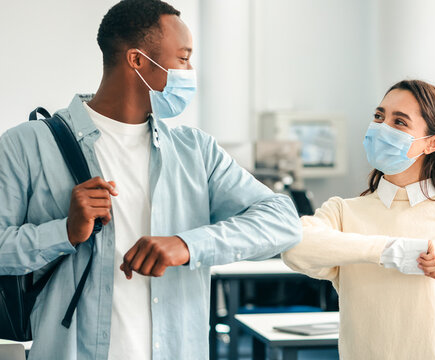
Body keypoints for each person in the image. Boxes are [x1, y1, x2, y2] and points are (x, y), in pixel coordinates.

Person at [0, 1, 301, 359]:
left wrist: (186, 245)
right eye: (184, 58)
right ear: (138, 61)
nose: (190, 71)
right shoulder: (27, 144)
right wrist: (64, 231)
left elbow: (283, 220)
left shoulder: (195, 151)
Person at [282, 80, 435, 359]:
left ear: (432, 142)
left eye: (399, 122)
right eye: (379, 116)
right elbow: (294, 247)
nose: (382, 128)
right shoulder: (344, 212)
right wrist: (392, 251)